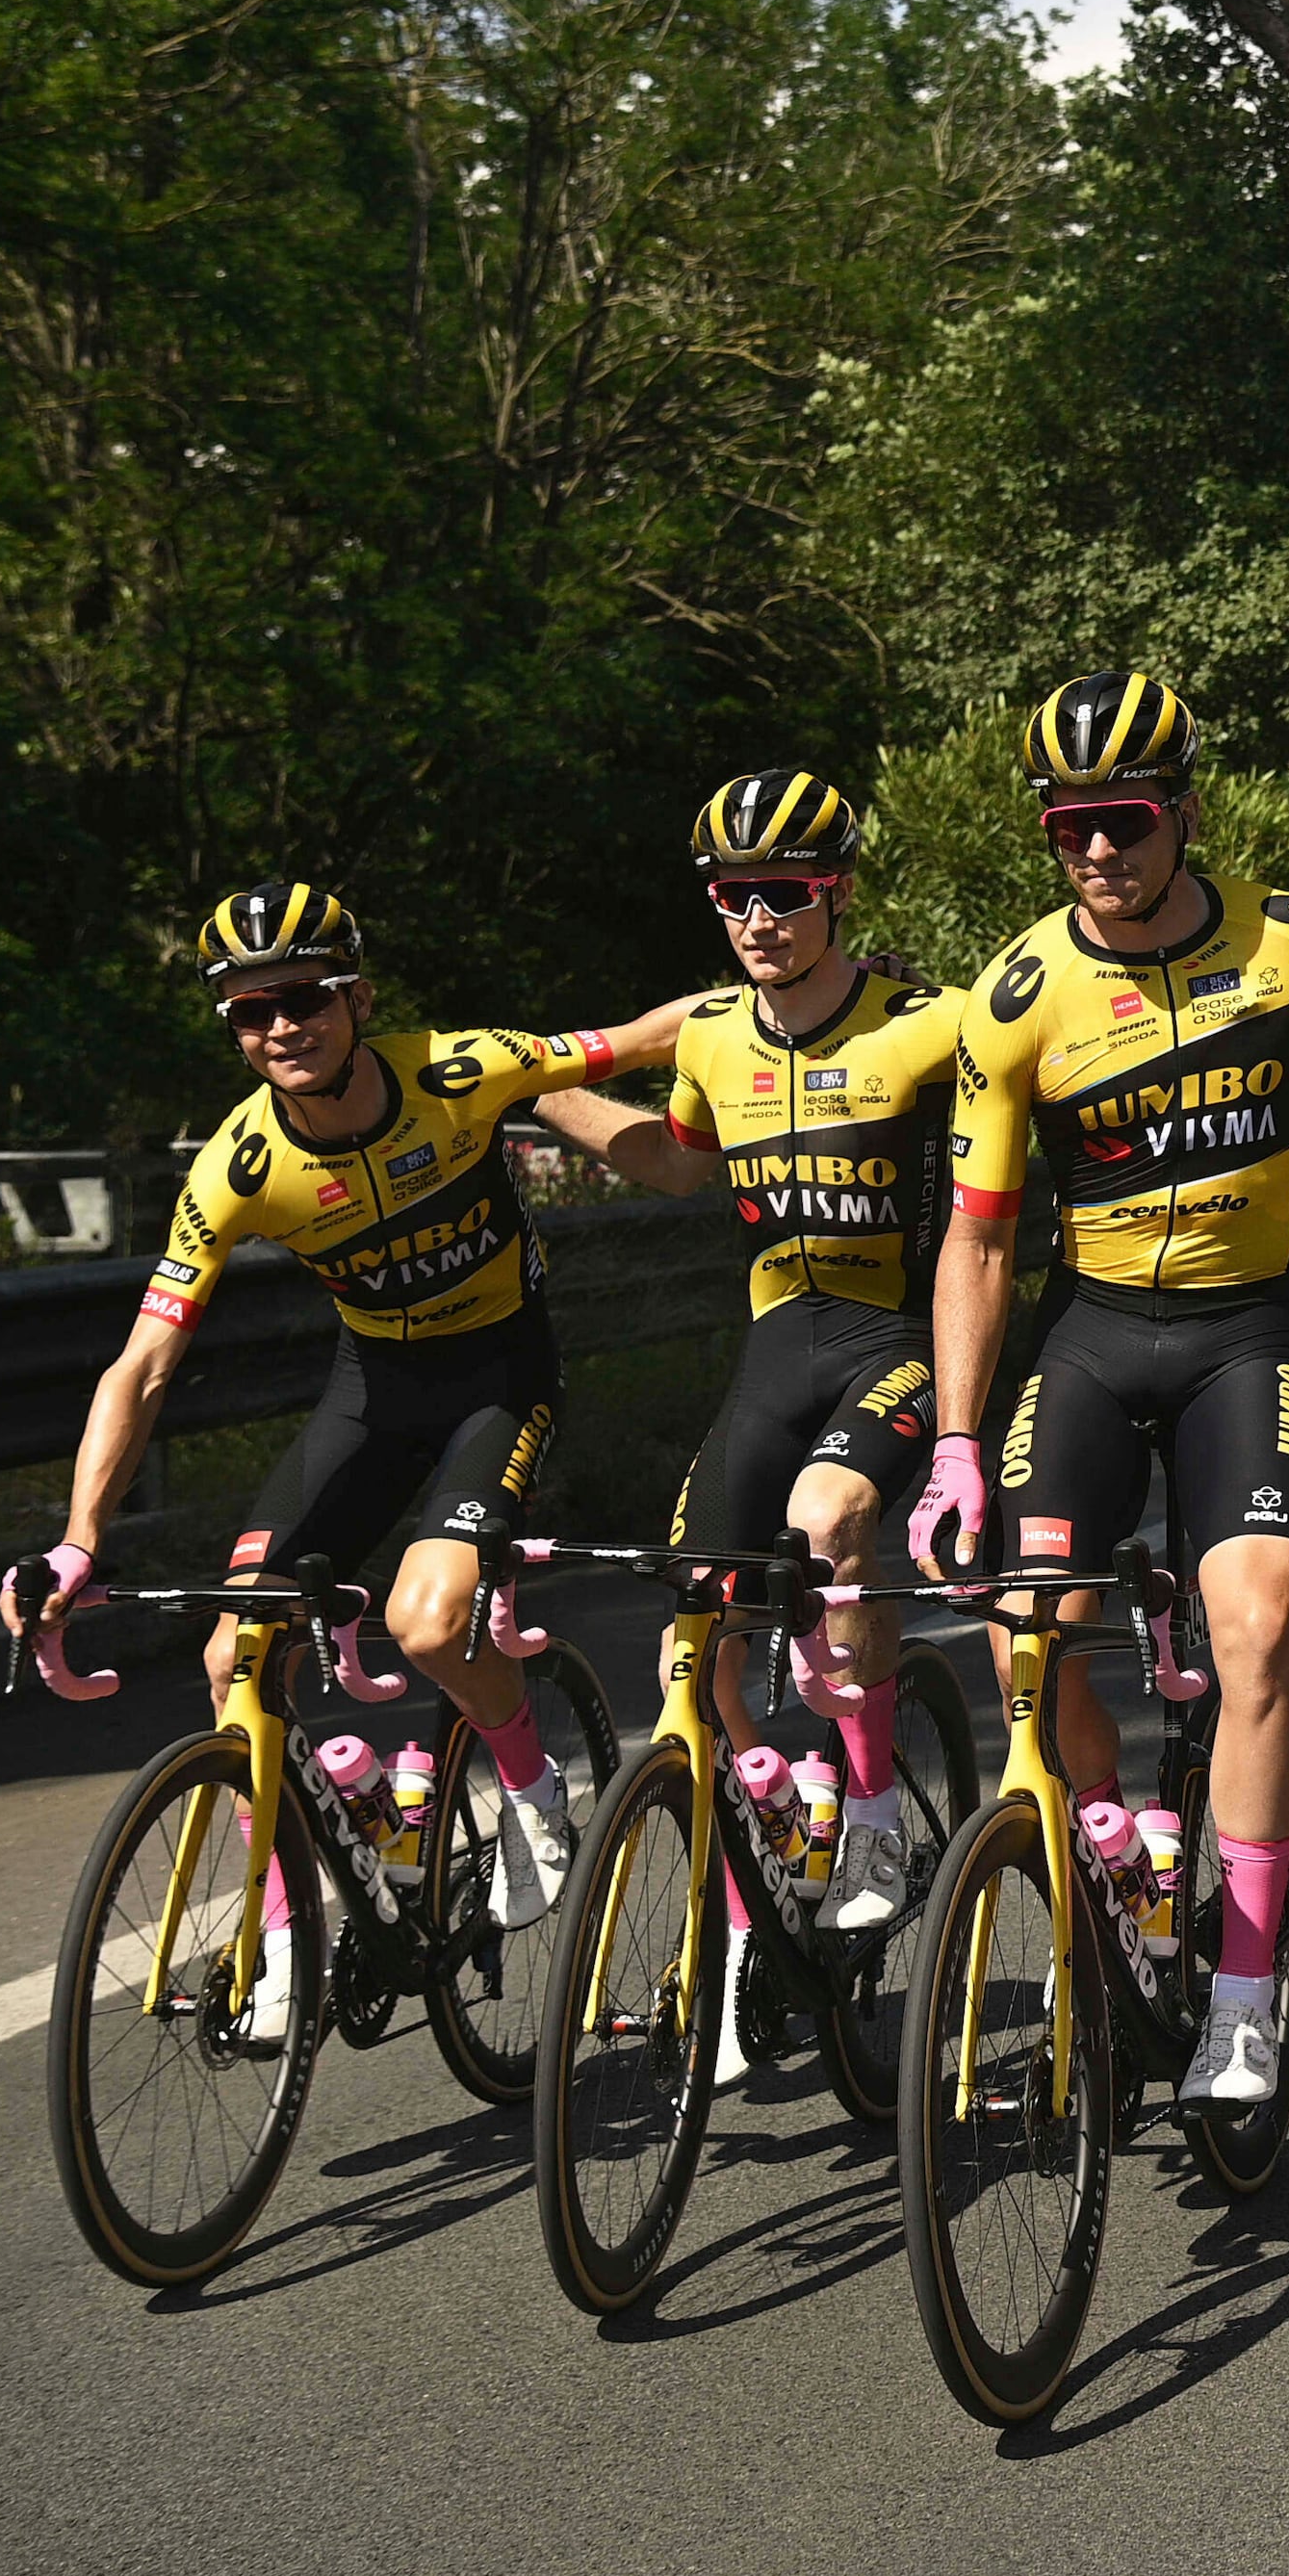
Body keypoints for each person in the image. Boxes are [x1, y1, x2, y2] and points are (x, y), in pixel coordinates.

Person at [917, 671, 1289, 2112]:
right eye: (1069, 830)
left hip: (1246, 1336)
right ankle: (1111, 1858)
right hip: (1093, 1338)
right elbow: (981, 1237)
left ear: (1181, 812)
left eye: (1122, 821)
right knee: (1025, 1646)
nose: (1097, 853)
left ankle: (1245, 1987)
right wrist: (953, 1444)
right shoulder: (1020, 995)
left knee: (1257, 1626)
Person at [1, 887, 701, 2041]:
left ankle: (528, 1786)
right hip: (370, 1395)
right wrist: (79, 1541)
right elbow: (142, 1367)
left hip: (497, 1380)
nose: (279, 1026)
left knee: (429, 1626)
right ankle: (287, 1938)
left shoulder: (457, 1069)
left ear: (357, 998)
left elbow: (644, 1034)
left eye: (302, 998)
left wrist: (797, 999)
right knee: (235, 1649)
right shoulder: (236, 1165)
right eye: (248, 1012)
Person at [534, 771, 961, 2070]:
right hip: (777, 1354)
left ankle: (880, 1799)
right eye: (735, 896)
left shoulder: (927, 1022)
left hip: (900, 1343)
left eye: (786, 892)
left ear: (835, 891)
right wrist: (533, 1087)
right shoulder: (713, 1030)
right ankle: (739, 1926)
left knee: (830, 1516)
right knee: (695, 1635)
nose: (760, 917)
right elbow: (673, 1155)